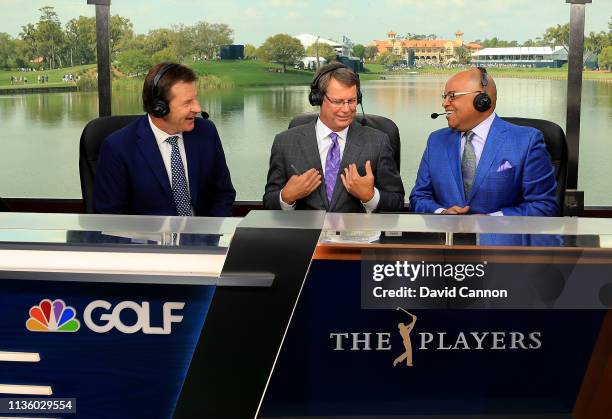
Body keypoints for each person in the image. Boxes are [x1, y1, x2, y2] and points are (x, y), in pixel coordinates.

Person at [410, 67, 557, 216]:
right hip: (448, 237)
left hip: (503, 238)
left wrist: (491, 221)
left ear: (482, 100)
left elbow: (544, 206)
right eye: (444, 96)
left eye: (452, 96)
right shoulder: (436, 140)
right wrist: (442, 213)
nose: (444, 103)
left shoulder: (527, 141)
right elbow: (419, 197)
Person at [94, 62, 235, 216]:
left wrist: (208, 236)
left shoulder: (206, 133)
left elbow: (223, 194)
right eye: (187, 103)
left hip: (203, 237)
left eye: (195, 99)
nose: (197, 108)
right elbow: (109, 215)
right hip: (147, 238)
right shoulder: (118, 148)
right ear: (159, 107)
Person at [263, 63, 404, 212]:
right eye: (337, 102)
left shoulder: (379, 141)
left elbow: (397, 202)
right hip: (306, 234)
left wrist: (370, 197)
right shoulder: (284, 142)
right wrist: (286, 196)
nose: (346, 109)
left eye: (351, 101)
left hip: (356, 234)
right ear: (318, 98)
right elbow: (268, 203)